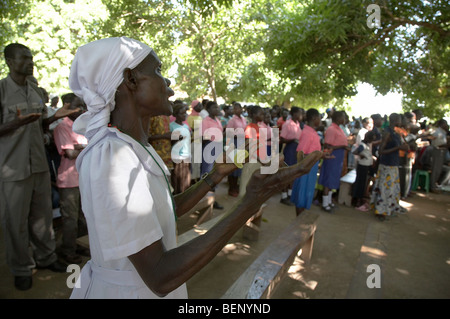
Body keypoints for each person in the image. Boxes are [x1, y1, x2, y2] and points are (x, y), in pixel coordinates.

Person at [67, 36, 322, 299]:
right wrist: (252, 200)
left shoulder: (132, 148)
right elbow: (160, 275)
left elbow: (166, 210)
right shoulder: (113, 157)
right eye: (157, 71)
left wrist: (214, 176)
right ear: (130, 80)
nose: (168, 84)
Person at [0, 43, 78, 290]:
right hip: (13, 168)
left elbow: (41, 125)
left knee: (42, 218)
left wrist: (54, 117)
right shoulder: (2, 91)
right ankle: (22, 267)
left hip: (39, 165)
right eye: (25, 58)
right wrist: (14, 124)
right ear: (10, 61)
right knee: (15, 222)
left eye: (32, 57)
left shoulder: (34, 90)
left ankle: (46, 258)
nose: (31, 61)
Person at [53, 93, 89, 264]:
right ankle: (67, 250)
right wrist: (84, 147)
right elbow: (70, 153)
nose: (81, 109)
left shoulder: (81, 125)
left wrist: (80, 147)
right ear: (66, 105)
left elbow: (80, 149)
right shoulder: (62, 127)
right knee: (70, 219)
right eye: (77, 105)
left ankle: (79, 243)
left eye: (82, 105)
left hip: (82, 178)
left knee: (83, 217)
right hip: (69, 181)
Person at [370, 113, 409, 221]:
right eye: (400, 120)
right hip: (387, 165)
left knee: (391, 189)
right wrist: (398, 148)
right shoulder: (388, 132)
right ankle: (380, 211)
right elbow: (381, 151)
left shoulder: (396, 132)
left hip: (393, 164)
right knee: (384, 189)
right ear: (396, 120)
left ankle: (388, 208)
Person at [290, 108, 322, 216]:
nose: (320, 121)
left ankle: (300, 219)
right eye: (319, 118)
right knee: (301, 195)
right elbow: (299, 153)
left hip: (310, 167)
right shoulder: (308, 133)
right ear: (314, 118)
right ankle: (298, 221)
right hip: (305, 167)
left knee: (306, 194)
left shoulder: (312, 132)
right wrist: (317, 155)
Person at [318, 111, 350, 212]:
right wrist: (342, 146)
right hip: (332, 157)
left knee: (333, 180)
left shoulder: (339, 128)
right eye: (343, 117)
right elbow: (327, 145)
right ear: (338, 118)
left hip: (338, 158)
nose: (345, 119)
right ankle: (324, 204)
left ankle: (329, 201)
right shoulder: (331, 129)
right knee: (328, 180)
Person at [201, 100, 224, 209]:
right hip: (209, 147)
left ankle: (212, 200)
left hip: (218, 147)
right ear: (208, 109)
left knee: (216, 173)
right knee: (208, 173)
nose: (217, 109)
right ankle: (206, 201)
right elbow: (203, 137)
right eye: (215, 107)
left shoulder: (217, 120)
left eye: (217, 107)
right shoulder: (206, 121)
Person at [279, 106, 302, 205]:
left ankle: (289, 194)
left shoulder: (298, 124)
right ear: (294, 114)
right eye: (299, 113)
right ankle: (283, 196)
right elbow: (282, 139)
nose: (301, 115)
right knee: (286, 172)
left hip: (296, 150)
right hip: (289, 149)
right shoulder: (288, 124)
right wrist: (292, 140)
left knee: (293, 173)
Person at [225, 102, 247, 197]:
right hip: (233, 142)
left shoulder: (243, 119)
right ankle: (231, 187)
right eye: (236, 108)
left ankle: (236, 186)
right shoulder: (232, 120)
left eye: (239, 108)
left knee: (238, 166)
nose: (238, 110)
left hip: (241, 143)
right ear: (234, 110)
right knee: (232, 166)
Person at [170, 103, 191, 194]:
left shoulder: (186, 126)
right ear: (176, 115)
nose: (185, 115)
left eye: (185, 113)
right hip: (177, 156)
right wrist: (176, 138)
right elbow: (170, 141)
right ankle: (178, 199)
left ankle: (185, 197)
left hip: (186, 155)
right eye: (182, 113)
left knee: (186, 180)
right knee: (177, 179)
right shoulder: (172, 126)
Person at [352, 131, 376, 211]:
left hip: (365, 166)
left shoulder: (367, 145)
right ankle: (357, 200)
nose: (372, 141)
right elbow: (355, 152)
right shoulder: (362, 145)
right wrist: (361, 155)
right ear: (368, 138)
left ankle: (360, 198)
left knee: (363, 183)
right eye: (371, 140)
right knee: (360, 183)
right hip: (362, 166)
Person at [430, 119, 449, 193]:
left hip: (442, 152)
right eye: (446, 124)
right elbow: (436, 144)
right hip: (437, 151)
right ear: (442, 124)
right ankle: (432, 186)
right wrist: (447, 144)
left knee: (439, 169)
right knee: (436, 169)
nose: (447, 125)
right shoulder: (437, 132)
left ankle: (436, 185)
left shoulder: (443, 132)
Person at [187, 100, 203, 182]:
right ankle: (192, 180)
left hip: (199, 141)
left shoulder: (199, 117)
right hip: (193, 142)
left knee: (197, 162)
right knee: (193, 162)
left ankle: (196, 178)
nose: (201, 107)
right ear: (194, 107)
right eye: (199, 105)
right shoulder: (190, 117)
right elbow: (189, 130)